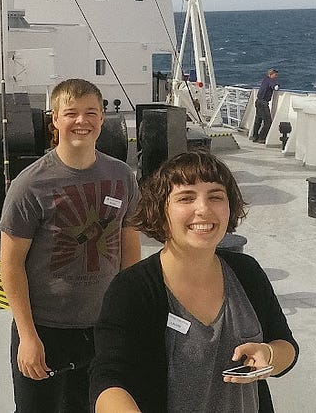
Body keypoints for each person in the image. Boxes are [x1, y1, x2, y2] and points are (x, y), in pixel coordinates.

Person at [91, 151, 299, 413]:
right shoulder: (133, 289)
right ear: (161, 210)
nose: (203, 208)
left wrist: (268, 355)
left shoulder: (247, 273)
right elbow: (108, 380)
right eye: (186, 198)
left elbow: (286, 346)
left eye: (215, 196)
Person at [0, 78, 141, 413]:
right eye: (71, 113)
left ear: (102, 118)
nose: (82, 121)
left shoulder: (122, 177)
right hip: (45, 330)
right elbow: (11, 264)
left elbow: (129, 246)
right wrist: (28, 337)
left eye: (91, 112)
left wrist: (129, 317)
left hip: (102, 327)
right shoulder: (30, 185)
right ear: (55, 120)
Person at [251, 69, 279, 144]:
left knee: (258, 120)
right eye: (275, 75)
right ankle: (261, 138)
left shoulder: (265, 80)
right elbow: (275, 87)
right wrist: (277, 85)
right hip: (263, 103)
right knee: (268, 122)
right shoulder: (270, 80)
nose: (276, 77)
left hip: (258, 101)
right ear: (271, 74)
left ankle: (255, 136)